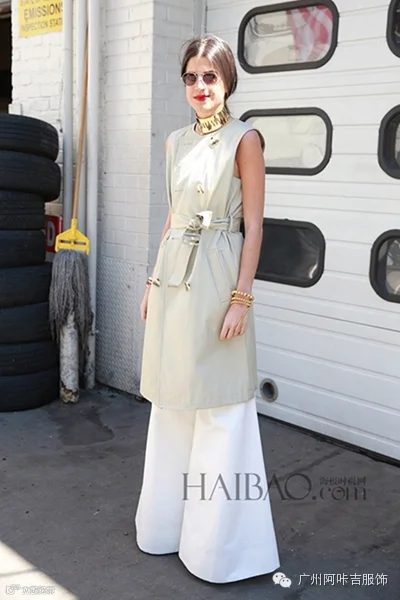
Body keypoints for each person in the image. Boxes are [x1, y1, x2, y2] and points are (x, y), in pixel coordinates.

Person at [135, 33, 280, 584]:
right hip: (174, 278)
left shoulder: (246, 139)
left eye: (210, 76)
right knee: (173, 403)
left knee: (220, 406)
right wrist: (152, 283)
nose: (200, 86)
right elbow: (172, 219)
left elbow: (254, 227)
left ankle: (219, 550)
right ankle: (166, 530)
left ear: (227, 81)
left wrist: (242, 298)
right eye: (191, 77)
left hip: (219, 276)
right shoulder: (175, 141)